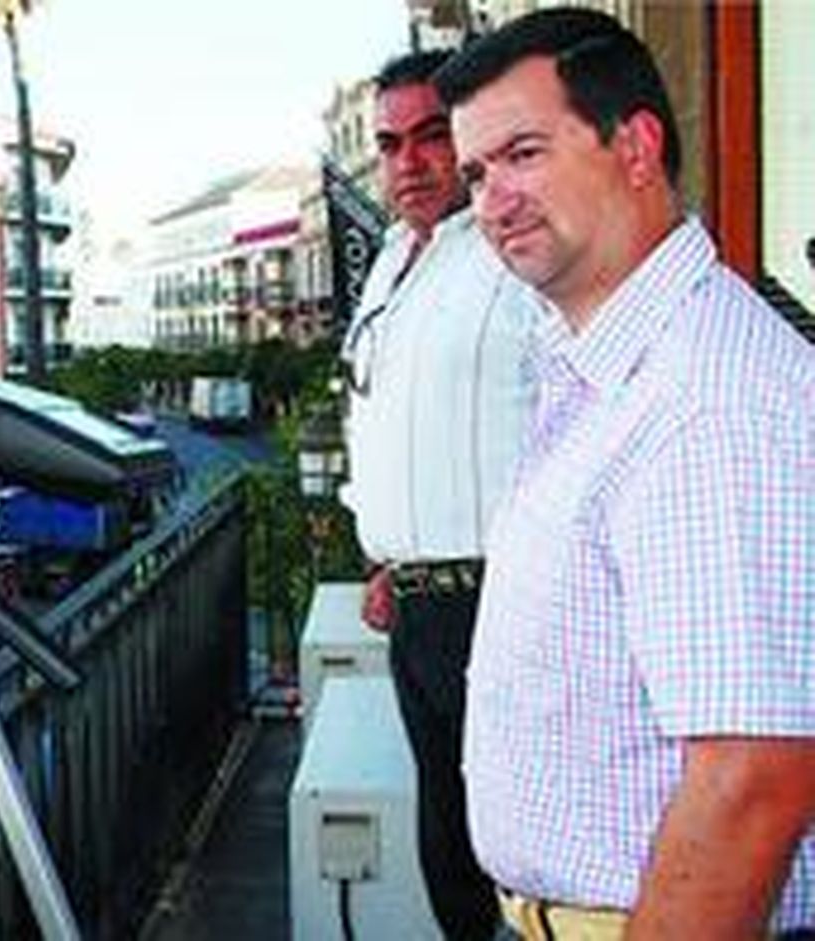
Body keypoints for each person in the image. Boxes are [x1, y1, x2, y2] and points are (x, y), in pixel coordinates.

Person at [436, 9, 815, 939]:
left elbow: (754, 775)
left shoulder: (706, 401)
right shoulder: (610, 365)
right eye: (478, 172)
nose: (493, 199)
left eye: (523, 153)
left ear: (636, 144)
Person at [337, 48, 538, 941]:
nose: (408, 162)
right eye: (389, 144)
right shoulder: (388, 262)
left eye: (430, 136)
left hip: (507, 602)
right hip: (414, 608)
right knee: (446, 849)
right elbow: (381, 419)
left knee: (523, 855)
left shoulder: (513, 250)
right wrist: (384, 554)